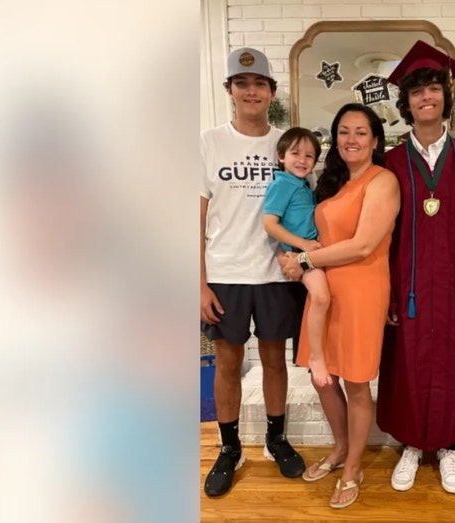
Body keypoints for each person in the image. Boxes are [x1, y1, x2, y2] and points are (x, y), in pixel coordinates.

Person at [280, 103, 400, 509]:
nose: (351, 139)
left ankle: (353, 466)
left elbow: (364, 244)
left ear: (376, 140)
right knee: (321, 376)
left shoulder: (382, 181)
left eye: (361, 132)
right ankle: (340, 447)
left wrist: (305, 261)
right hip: (323, 292)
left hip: (362, 288)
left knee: (355, 379)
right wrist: (292, 256)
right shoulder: (331, 184)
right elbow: (307, 232)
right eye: (344, 131)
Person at [200, 47, 307, 497]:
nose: (251, 91)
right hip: (224, 271)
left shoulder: (287, 145)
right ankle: (229, 448)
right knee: (227, 361)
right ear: (230, 91)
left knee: (273, 359)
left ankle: (276, 438)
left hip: (275, 272)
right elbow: (196, 213)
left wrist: (301, 257)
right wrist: (197, 281)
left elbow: (302, 209)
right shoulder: (208, 143)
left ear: (271, 92)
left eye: (259, 84)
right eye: (241, 84)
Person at [377, 40, 455, 495]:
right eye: (417, 90)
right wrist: (388, 291)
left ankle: (448, 446)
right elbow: (381, 234)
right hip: (410, 283)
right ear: (407, 101)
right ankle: (411, 445)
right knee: (406, 362)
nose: (426, 97)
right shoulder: (391, 162)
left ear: (445, 96)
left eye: (434, 88)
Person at [262, 128, 333, 387]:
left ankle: (320, 353)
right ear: (281, 156)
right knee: (322, 297)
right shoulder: (282, 184)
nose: (302, 160)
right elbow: (270, 223)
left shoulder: (302, 183)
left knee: (324, 300)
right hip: (302, 255)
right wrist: (302, 245)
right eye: (295, 154)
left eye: (309, 155)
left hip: (311, 252)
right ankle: (316, 357)